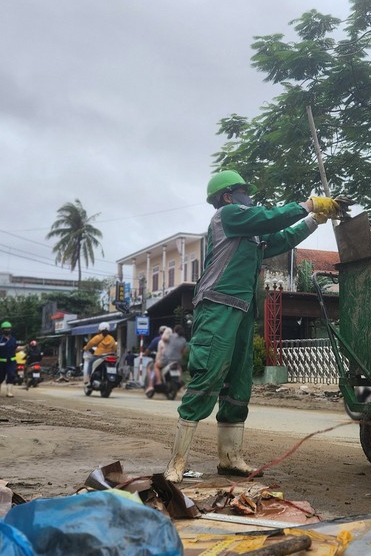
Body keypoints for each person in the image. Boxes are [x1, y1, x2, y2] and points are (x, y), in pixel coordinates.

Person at [163, 169, 345, 481]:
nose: (249, 195)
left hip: (244, 310)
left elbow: (282, 238)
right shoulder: (228, 216)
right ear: (227, 196)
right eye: (243, 190)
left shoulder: (251, 231)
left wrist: (314, 220)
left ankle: (230, 458)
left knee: (239, 384)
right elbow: (270, 218)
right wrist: (309, 204)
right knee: (208, 375)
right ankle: (177, 463)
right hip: (217, 305)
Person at [147, 325, 187, 398]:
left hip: (167, 359)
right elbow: (183, 351)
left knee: (156, 366)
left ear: (175, 330)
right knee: (179, 368)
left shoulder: (171, 336)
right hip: (177, 360)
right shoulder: (184, 340)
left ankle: (159, 381)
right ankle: (179, 380)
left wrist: (166, 334)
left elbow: (163, 338)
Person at [83, 322, 118, 395]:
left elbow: (90, 344)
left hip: (98, 355)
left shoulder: (98, 337)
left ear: (100, 329)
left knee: (90, 363)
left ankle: (88, 379)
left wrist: (86, 348)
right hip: (109, 355)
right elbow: (114, 348)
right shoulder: (111, 338)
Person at [0, 320, 19, 397]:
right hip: (1, 361)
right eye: (5, 328)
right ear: (2, 330)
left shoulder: (13, 339)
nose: (7, 330)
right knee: (0, 376)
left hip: (11, 361)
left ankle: (9, 392)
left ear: (10, 329)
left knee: (11, 375)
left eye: (8, 328)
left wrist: (24, 348)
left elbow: (15, 348)